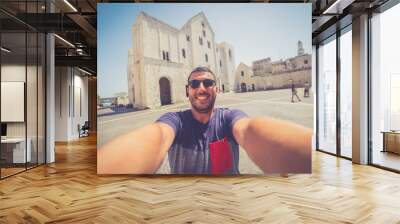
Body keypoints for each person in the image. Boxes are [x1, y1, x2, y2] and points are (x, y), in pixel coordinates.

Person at [98, 67, 312, 174]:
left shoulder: (228, 117)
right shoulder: (175, 120)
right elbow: (158, 136)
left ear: (216, 89)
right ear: (187, 91)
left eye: (208, 82)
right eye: (195, 84)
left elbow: (249, 130)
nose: (201, 88)